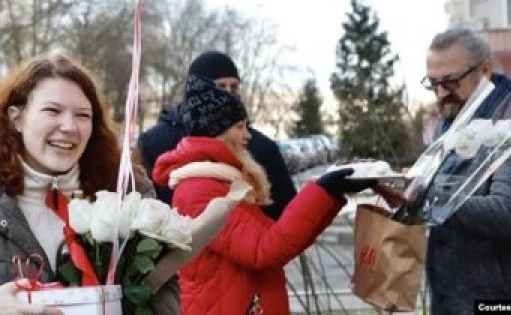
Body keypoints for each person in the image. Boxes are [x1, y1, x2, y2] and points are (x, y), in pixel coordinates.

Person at [0, 52, 180, 314]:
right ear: (17, 119)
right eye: (53, 110)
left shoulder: (127, 192)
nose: (69, 126)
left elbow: (162, 293)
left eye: (82, 115)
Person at [152, 74, 374, 315]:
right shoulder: (201, 190)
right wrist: (322, 191)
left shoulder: (221, 181)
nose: (248, 135)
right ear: (216, 133)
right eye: (239, 126)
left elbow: (281, 244)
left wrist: (331, 195)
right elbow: (264, 249)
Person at [417, 26, 511, 314]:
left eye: (450, 82)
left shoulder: (509, 127)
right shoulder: (448, 124)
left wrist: (425, 195)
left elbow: (507, 213)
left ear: (484, 71)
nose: (440, 94)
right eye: (433, 83)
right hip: (450, 300)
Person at [138, 50, 297, 219]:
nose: (229, 93)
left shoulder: (261, 147)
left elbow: (287, 214)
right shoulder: (153, 143)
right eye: (221, 86)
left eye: (234, 87)